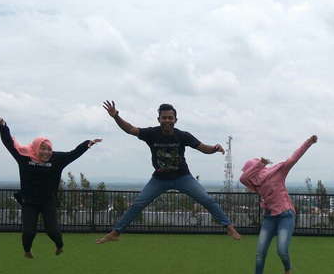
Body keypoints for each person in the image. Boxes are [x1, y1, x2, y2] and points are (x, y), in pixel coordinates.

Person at [95, 101, 240, 243]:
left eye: (170, 118)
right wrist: (116, 116)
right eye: (164, 118)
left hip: (183, 177)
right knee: (137, 204)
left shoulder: (183, 135)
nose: (167, 120)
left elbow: (202, 148)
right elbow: (130, 129)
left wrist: (214, 149)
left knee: (207, 200)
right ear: (158, 119)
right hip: (159, 179)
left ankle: (229, 227)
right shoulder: (151, 133)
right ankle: (115, 233)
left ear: (175, 120)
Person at [0, 114, 101, 258]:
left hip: (48, 201)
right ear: (36, 148)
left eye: (49, 149)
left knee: (53, 231)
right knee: (28, 232)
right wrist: (3, 126)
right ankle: (27, 250)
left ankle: (59, 246)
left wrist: (87, 144)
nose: (46, 152)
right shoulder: (24, 158)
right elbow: (9, 144)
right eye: (43, 149)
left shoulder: (56, 159)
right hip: (29, 201)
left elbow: (73, 154)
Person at [240, 135, 317, 274]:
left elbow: (294, 157)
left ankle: (287, 269)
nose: (248, 174)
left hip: (285, 215)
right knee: (260, 253)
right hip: (269, 217)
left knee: (282, 250)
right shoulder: (254, 182)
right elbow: (243, 178)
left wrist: (309, 142)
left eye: (249, 170)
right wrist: (261, 163)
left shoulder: (278, 171)